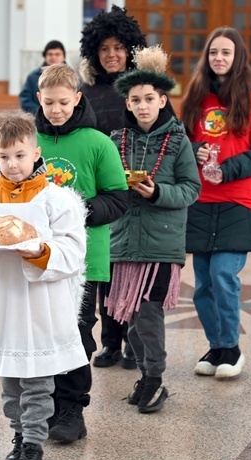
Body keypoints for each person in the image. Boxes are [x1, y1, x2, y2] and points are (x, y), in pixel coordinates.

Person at [0, 111, 88, 460]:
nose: (12, 165)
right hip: (1, 300)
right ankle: (18, 434)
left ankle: (34, 446)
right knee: (10, 376)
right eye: (5, 156)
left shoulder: (55, 198)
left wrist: (37, 251)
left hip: (41, 303)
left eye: (20, 155)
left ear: (35, 152)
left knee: (38, 378)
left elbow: (74, 251)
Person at [34, 63, 128, 441]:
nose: (56, 109)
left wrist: (77, 210)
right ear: (39, 99)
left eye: (63, 102)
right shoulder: (30, 140)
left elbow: (118, 199)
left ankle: (72, 409)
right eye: (49, 102)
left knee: (76, 332)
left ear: (77, 98)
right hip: (37, 257)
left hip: (83, 260)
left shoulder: (97, 142)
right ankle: (44, 408)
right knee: (40, 332)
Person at [180, 27, 251, 379]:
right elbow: (180, 146)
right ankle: (217, 346)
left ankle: (233, 349)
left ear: (238, 58)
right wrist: (196, 151)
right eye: (213, 53)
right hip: (202, 200)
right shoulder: (195, 98)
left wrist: (229, 168)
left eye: (226, 52)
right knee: (203, 283)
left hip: (239, 200)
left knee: (224, 275)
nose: (218, 58)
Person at [107, 45, 200, 413]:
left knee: (148, 315)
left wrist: (157, 191)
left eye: (149, 98)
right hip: (123, 242)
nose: (143, 105)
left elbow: (191, 189)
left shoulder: (177, 140)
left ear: (163, 100)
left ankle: (155, 378)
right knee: (128, 317)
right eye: (135, 100)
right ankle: (145, 374)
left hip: (160, 245)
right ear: (127, 104)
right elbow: (107, 185)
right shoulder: (117, 141)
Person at [79, 5, 158, 369]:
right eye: (104, 49)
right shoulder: (86, 92)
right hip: (101, 193)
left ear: (130, 49)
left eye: (118, 48)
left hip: (136, 191)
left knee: (129, 271)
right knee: (103, 271)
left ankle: (131, 341)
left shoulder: (142, 88)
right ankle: (109, 342)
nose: (111, 55)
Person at [19, 40, 67, 115]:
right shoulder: (33, 77)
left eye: (57, 54)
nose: (53, 57)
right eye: (50, 54)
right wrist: (42, 113)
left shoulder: (73, 77)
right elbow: (25, 100)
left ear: (64, 56)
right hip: (39, 119)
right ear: (45, 56)